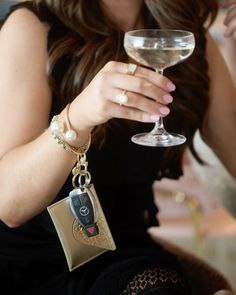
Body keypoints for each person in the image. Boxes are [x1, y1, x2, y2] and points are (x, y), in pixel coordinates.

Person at [0, 0, 235, 294]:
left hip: (124, 259)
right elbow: (9, 205)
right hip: (23, 264)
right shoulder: (32, 26)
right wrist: (79, 117)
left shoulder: (187, 34)